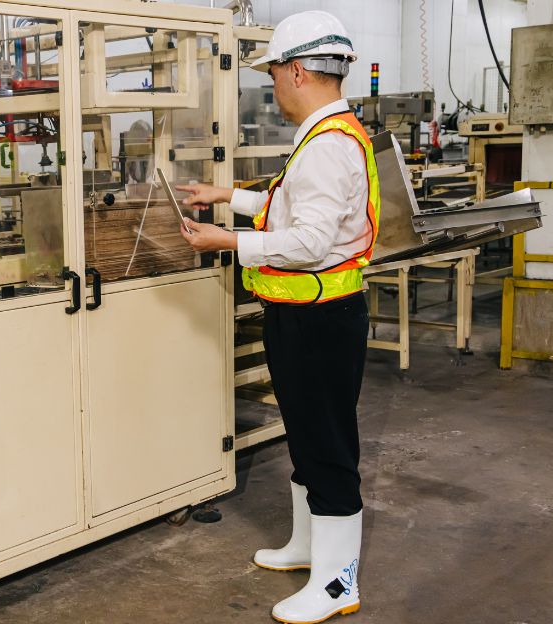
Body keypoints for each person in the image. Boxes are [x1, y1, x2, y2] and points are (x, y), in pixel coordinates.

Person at [175, 10, 378, 624]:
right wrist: (226, 196)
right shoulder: (327, 135)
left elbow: (310, 241)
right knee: (307, 435)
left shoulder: (326, 146)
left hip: (321, 320)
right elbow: (290, 206)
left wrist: (226, 240)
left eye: (272, 75)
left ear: (296, 72)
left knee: (327, 444)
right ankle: (308, 548)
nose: (272, 88)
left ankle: (337, 586)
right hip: (307, 314)